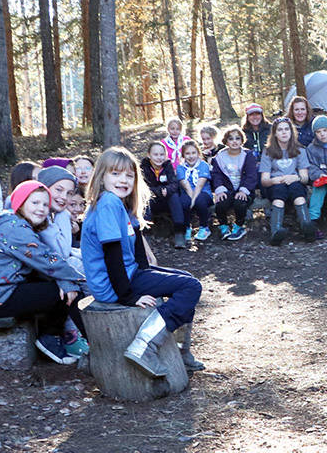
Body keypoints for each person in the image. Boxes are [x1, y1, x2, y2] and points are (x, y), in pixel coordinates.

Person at [80, 147, 203, 377]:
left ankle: (178, 350)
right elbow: (112, 254)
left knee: (185, 280)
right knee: (191, 286)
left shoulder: (123, 204)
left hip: (129, 273)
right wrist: (129, 297)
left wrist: (150, 277)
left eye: (129, 175)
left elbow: (137, 249)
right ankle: (144, 346)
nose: (123, 180)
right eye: (115, 174)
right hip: (113, 284)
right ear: (101, 177)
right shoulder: (108, 203)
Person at [0, 180, 87, 365]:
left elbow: (44, 264)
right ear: (20, 203)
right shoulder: (16, 229)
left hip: (1, 289)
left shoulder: (18, 224)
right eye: (34, 203)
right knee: (63, 293)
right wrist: (80, 279)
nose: (41, 208)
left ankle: (62, 336)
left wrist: (65, 281)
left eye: (45, 205)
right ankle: (51, 338)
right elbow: (48, 260)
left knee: (62, 286)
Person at [35, 166, 90, 358]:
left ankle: (91, 326)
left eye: (68, 193)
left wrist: (63, 216)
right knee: (76, 272)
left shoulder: (58, 214)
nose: (63, 197)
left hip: (52, 268)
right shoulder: (37, 212)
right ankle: (72, 335)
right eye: (58, 190)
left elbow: (64, 250)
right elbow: (57, 253)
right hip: (35, 274)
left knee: (84, 267)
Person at [260, 117, 315, 245]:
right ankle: (276, 231)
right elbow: (264, 180)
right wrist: (275, 180)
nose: (284, 132)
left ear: (291, 132)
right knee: (279, 193)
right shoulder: (268, 152)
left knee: (297, 190)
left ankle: (307, 227)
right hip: (276, 185)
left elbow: (305, 177)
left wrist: (296, 178)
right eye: (280, 130)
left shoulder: (299, 150)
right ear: (274, 133)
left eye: (287, 129)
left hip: (294, 182)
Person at [210, 125, 259, 241]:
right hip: (227, 189)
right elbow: (216, 175)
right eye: (231, 139)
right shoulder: (220, 157)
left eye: (237, 138)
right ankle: (223, 226)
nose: (234, 141)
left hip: (245, 189)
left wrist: (244, 190)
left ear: (242, 140)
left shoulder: (248, 155)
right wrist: (220, 189)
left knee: (240, 202)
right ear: (226, 141)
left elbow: (252, 175)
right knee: (221, 203)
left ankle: (239, 226)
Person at [140, 141, 188, 248]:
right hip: (151, 200)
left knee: (174, 196)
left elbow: (174, 183)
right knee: (144, 199)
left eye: (162, 155)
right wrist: (159, 190)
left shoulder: (168, 166)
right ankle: (146, 234)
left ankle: (179, 233)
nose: (159, 158)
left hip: (166, 200)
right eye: (155, 155)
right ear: (149, 155)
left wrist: (167, 189)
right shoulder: (143, 167)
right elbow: (143, 186)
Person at [177, 140, 214, 243]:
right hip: (188, 192)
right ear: (183, 155)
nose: (191, 156)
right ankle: (187, 227)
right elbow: (186, 186)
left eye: (193, 153)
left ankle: (204, 227)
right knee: (184, 202)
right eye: (187, 153)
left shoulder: (203, 165)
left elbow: (200, 185)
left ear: (198, 153)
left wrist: (193, 200)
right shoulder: (180, 168)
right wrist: (191, 200)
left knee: (199, 200)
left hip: (203, 193)